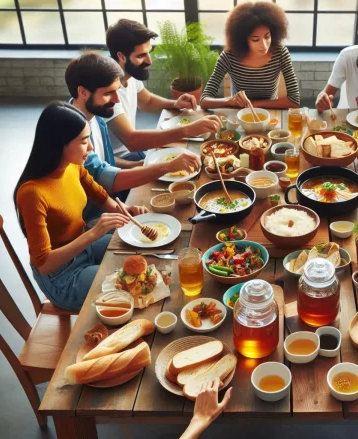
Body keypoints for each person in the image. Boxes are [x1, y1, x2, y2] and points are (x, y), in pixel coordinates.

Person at [14, 102, 148, 311]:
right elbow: (44, 264)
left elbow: (101, 196)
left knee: (138, 253)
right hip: (61, 276)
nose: (91, 148)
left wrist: (124, 211)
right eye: (84, 141)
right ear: (60, 144)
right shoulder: (32, 193)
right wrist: (94, 233)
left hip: (82, 249)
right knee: (133, 281)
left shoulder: (73, 165)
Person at [64, 51, 201, 222]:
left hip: (110, 202)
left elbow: (103, 163)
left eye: (117, 92)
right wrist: (167, 166)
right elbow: (107, 177)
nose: (116, 100)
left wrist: (136, 165)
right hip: (90, 218)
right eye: (108, 93)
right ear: (83, 92)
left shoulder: (96, 116)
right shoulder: (72, 133)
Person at [105, 19, 222, 163]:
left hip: (135, 151)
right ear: (121, 57)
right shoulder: (107, 89)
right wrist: (189, 130)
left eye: (148, 52)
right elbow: (132, 141)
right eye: (141, 56)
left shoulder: (129, 73)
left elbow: (147, 102)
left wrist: (175, 104)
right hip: (121, 160)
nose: (150, 61)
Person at [200, 1, 300, 110]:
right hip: (239, 113)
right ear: (243, 40)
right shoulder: (229, 56)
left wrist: (253, 104)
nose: (264, 44)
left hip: (270, 113)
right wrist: (229, 101)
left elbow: (294, 100)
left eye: (267, 37)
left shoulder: (280, 53)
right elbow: (204, 100)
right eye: (255, 39)